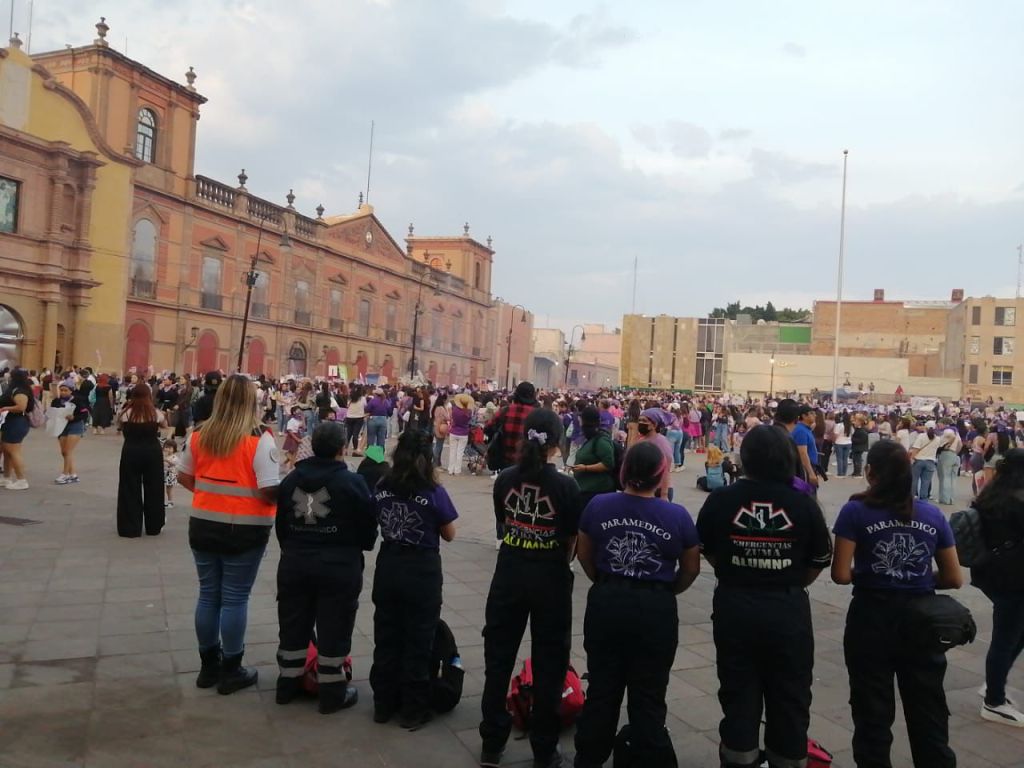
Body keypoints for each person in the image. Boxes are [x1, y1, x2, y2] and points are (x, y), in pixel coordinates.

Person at [696, 425, 833, 768]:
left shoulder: (721, 499)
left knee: (738, 691)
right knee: (790, 695)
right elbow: (819, 560)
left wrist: (738, 567)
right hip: (787, 608)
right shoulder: (803, 503)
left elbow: (707, 549)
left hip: (734, 605)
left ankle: (738, 758)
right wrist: (785, 575)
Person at [832, 440, 961, 766]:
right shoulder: (932, 514)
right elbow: (954, 578)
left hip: (870, 617)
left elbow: (841, 575)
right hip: (921, 619)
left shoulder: (855, 511)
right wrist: (916, 576)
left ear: (870, 472)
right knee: (928, 709)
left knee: (872, 712)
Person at [573, 441, 701, 767]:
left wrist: (605, 580)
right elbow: (691, 568)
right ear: (661, 477)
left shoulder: (598, 506)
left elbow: (584, 554)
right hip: (654, 606)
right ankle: (645, 757)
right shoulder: (677, 516)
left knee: (602, 687)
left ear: (624, 471)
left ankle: (588, 758)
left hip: (608, 600)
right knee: (649, 694)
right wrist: (666, 590)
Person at [480, 408, 582, 768]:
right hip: (550, 580)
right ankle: (543, 747)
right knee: (550, 663)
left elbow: (503, 522)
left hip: (509, 575)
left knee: (498, 659)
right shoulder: (566, 486)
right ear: (556, 444)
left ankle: (491, 743)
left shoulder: (505, 479)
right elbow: (571, 537)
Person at [177, 374, 279, 694]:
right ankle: (232, 668)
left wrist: (210, 494)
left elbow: (183, 476)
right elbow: (268, 490)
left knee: (208, 594)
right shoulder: (259, 438)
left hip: (204, 522)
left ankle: (208, 666)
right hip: (245, 529)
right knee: (235, 597)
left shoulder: (200, 433)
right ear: (252, 401)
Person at [275, 421, 378, 714]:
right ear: (341, 449)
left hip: (295, 561)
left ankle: (287, 683)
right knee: (335, 626)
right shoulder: (352, 483)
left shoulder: (292, 480)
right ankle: (332, 692)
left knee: (293, 623)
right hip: (338, 565)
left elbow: (281, 524)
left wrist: (295, 546)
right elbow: (368, 527)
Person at [370, 428, 458, 730]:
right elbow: (449, 534)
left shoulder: (382, 484)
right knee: (419, 639)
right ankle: (412, 708)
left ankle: (383, 703)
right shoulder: (433, 491)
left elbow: (376, 516)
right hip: (421, 569)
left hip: (389, 563)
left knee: (387, 634)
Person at [969, 449, 1024, 727]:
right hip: (1014, 579)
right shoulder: (1017, 501)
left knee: (1015, 634)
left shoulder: (990, 496)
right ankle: (994, 700)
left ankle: (995, 682)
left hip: (992, 574)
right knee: (1006, 637)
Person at [116, 383, 166, 536]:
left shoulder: (125, 413)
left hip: (131, 451)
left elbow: (119, 426)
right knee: (154, 487)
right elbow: (165, 426)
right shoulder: (156, 413)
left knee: (129, 487)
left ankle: (130, 527)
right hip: (152, 451)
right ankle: (154, 526)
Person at [485, 382, 539, 483]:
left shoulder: (505, 411)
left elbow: (488, 428)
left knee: (506, 494)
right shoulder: (537, 414)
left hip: (506, 461)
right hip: (528, 463)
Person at [570, 405, 616, 508]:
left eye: (581, 419)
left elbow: (608, 463)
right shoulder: (590, 438)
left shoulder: (601, 440)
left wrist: (585, 468)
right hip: (585, 490)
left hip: (596, 492)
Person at [0, 367, 34, 489]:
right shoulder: (16, 388)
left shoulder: (19, 390)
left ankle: (21, 480)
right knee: (7, 451)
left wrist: (5, 408)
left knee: (14, 451)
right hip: (11, 421)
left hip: (17, 421)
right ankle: (6, 477)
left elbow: (21, 406)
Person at [53, 381, 90, 484]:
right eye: (61, 390)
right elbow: (52, 412)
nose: (63, 392)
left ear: (71, 391)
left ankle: (65, 474)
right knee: (64, 452)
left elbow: (84, 414)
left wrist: (74, 417)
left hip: (75, 426)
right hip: (61, 427)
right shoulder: (56, 401)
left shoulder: (77, 400)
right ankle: (73, 474)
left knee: (68, 451)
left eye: (66, 390)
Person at [909, 421, 942, 501]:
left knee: (914, 480)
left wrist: (911, 459)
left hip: (918, 461)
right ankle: (924, 499)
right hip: (931, 462)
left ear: (926, 427)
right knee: (926, 482)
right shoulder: (938, 439)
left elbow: (915, 449)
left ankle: (911, 498)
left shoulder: (921, 436)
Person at [935, 418, 963, 506]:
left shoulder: (947, 430)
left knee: (944, 477)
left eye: (939, 424)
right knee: (952, 478)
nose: (938, 426)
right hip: (954, 455)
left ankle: (944, 499)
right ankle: (951, 498)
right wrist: (956, 452)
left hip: (946, 454)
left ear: (943, 423)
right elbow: (960, 444)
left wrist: (947, 445)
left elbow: (952, 436)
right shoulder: (956, 431)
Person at [447, 392, 474, 476]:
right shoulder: (468, 412)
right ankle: (457, 470)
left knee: (452, 451)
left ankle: (450, 469)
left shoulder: (455, 410)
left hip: (454, 431)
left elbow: (452, 418)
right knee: (460, 452)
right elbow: (470, 420)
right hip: (463, 433)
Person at [833, 411, 853, 477]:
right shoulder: (850, 426)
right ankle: (844, 473)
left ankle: (840, 473)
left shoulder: (839, 425)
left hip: (839, 442)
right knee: (845, 458)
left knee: (839, 458)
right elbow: (852, 434)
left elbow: (835, 434)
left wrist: (834, 441)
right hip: (848, 442)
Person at [163, 440, 179, 508]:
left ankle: (170, 502)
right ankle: (167, 502)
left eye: (170, 448)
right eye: (166, 447)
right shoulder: (164, 456)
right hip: (165, 474)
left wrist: (166, 460)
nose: (168, 449)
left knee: (169, 489)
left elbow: (174, 464)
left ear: (174, 449)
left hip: (170, 475)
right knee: (165, 489)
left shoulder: (174, 457)